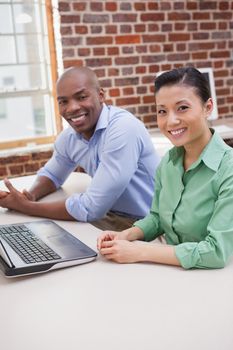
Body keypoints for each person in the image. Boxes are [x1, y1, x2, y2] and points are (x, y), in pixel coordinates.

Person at [98, 66, 233, 269]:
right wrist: (127, 235)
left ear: (208, 107)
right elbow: (158, 217)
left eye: (182, 108)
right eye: (162, 111)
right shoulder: (169, 162)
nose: (171, 121)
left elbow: (216, 252)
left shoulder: (228, 168)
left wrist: (140, 251)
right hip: (174, 274)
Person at [0, 67, 160, 231]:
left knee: (46, 234)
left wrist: (26, 207)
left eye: (81, 97)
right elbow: (52, 175)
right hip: (111, 214)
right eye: (63, 101)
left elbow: (91, 208)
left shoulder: (123, 129)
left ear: (101, 95)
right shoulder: (70, 138)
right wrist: (29, 195)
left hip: (151, 223)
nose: (72, 108)